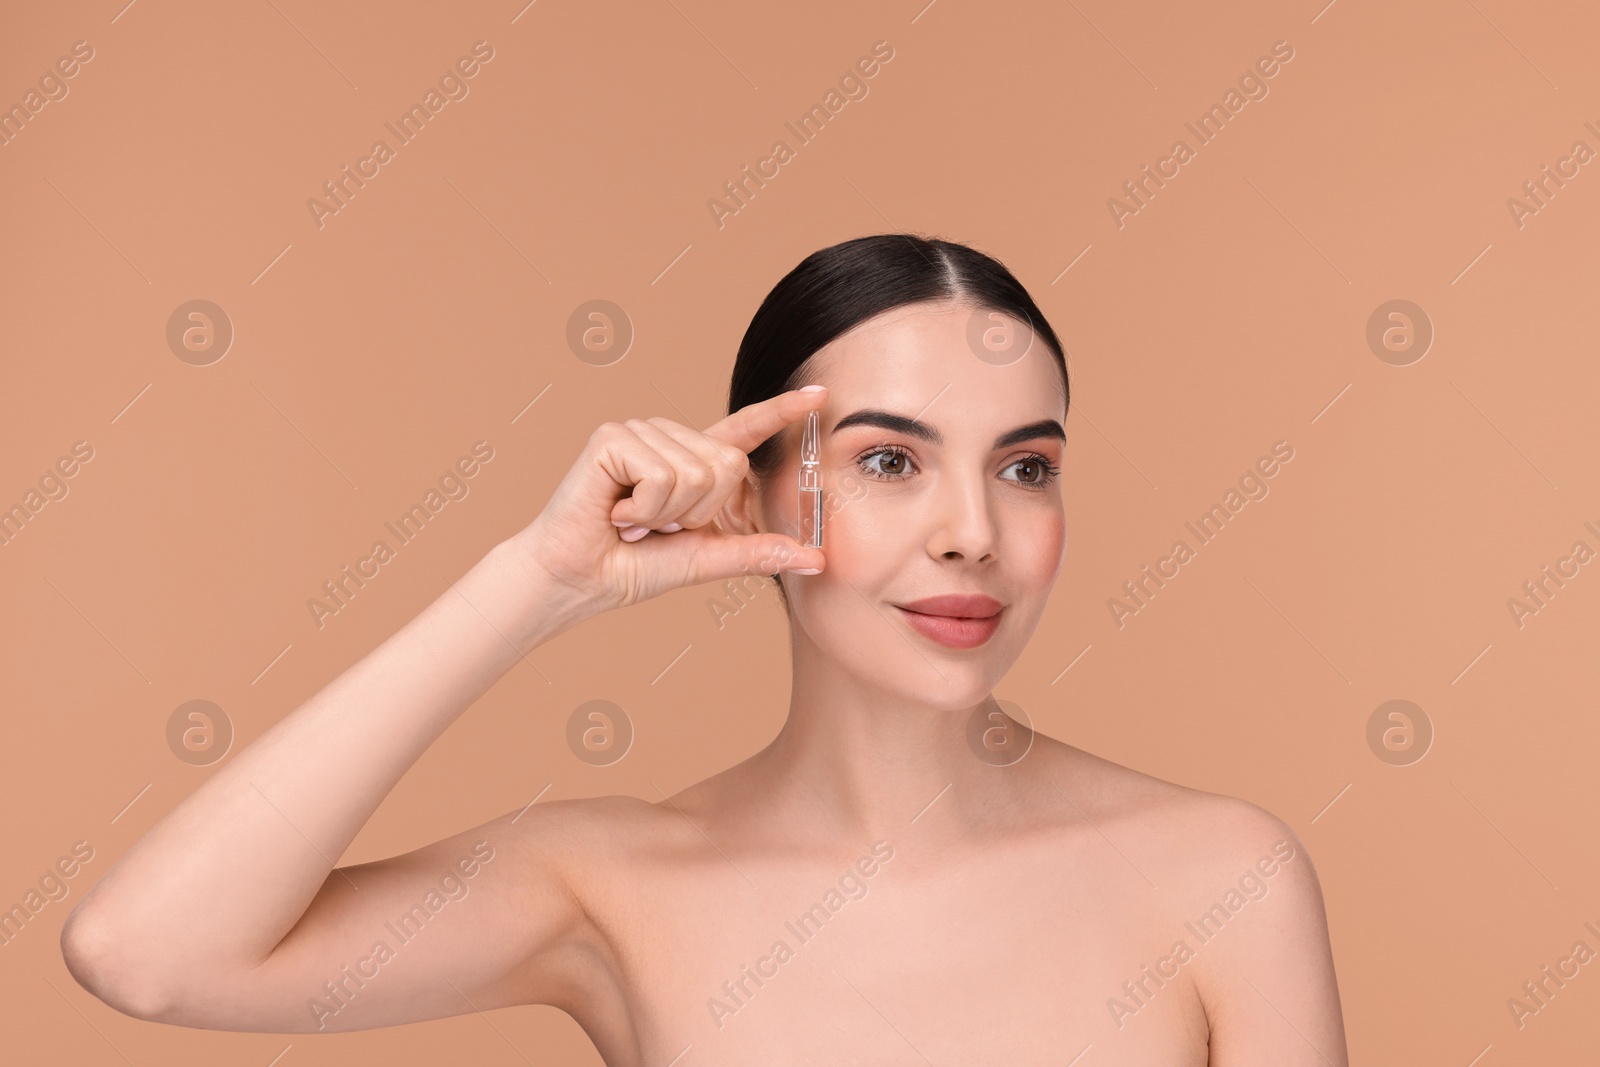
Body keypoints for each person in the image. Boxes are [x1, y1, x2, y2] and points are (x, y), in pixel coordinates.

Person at [61, 234, 1348, 1065]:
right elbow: (150, 953)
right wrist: (534, 582)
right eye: (889, 460)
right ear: (757, 490)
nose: (973, 534)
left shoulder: (1220, 876)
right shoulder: (606, 881)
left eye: (1025, 468)